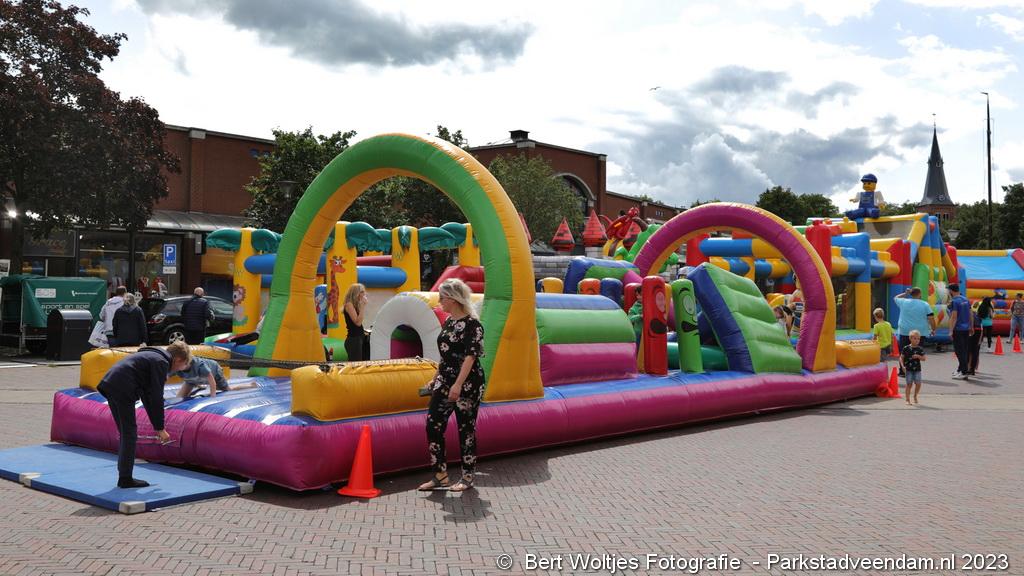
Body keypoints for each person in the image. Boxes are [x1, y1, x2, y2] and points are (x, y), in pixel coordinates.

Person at [418, 279, 485, 493]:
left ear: (453, 299)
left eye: (442, 297)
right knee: (433, 425)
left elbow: (470, 357)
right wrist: (435, 378)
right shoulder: (448, 322)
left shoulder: (473, 325)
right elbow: (445, 355)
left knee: (466, 429)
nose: (439, 301)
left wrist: (458, 385)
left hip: (468, 383)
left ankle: (467, 477)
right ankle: (440, 475)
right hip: (444, 380)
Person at [96, 342, 191, 488]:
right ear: (178, 359)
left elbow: (147, 395)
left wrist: (157, 426)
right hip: (122, 387)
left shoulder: (152, 356)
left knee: (126, 433)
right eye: (182, 365)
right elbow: (155, 396)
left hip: (111, 383)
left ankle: (124, 475)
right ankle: (125, 478)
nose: (179, 369)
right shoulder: (161, 362)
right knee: (129, 434)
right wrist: (160, 428)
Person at [171, 354, 256, 399]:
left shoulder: (200, 366)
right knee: (179, 398)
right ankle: (199, 385)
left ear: (186, 362)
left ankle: (251, 385)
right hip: (193, 380)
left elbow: (212, 382)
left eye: (177, 364)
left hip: (215, 372)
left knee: (227, 389)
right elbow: (165, 377)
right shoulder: (176, 366)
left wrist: (213, 397)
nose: (175, 367)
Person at [894, 287, 937, 376]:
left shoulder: (903, 302)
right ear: (920, 294)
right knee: (916, 351)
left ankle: (902, 371)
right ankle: (913, 370)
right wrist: (933, 329)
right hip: (920, 332)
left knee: (904, 352)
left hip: (905, 331)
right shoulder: (925, 304)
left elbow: (895, 297)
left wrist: (905, 293)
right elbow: (931, 318)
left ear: (911, 294)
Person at [946, 283, 973, 380]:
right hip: (966, 329)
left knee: (959, 351)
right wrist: (971, 326)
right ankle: (960, 369)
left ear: (951, 291)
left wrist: (950, 331)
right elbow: (971, 314)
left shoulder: (954, 301)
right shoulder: (965, 299)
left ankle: (964, 372)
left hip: (958, 329)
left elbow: (954, 317)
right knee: (964, 350)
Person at [899, 330, 926, 406]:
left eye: (918, 339)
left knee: (918, 384)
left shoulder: (920, 349)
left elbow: (924, 358)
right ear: (910, 338)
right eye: (915, 338)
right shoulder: (906, 348)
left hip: (917, 369)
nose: (917, 340)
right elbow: (901, 357)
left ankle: (915, 396)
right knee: (909, 384)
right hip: (908, 369)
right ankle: (907, 399)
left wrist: (918, 356)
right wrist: (902, 366)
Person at [343, 283, 369, 361]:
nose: (364, 294)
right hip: (354, 339)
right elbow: (358, 323)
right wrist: (363, 306)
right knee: (356, 364)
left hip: (359, 338)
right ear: (356, 293)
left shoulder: (356, 305)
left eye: (364, 292)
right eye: (362, 292)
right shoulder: (349, 305)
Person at [966, 301, 983, 376]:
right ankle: (972, 368)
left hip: (972, 330)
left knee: (969, 351)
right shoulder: (977, 314)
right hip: (978, 330)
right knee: (975, 351)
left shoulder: (969, 313)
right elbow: (981, 327)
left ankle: (968, 368)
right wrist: (980, 339)